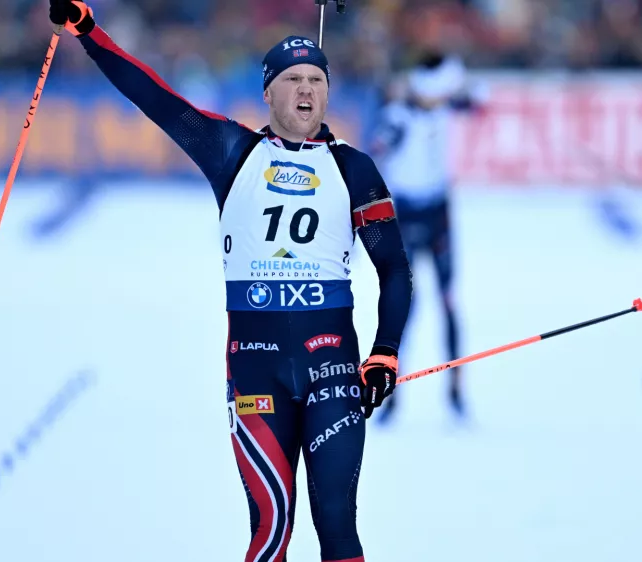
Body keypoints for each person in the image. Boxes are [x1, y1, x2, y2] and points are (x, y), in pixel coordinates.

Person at [47, 1, 413, 561]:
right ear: (267, 92)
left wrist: (384, 353)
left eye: (317, 79)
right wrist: (88, 31)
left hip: (333, 363)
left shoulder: (355, 168)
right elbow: (153, 97)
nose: (305, 90)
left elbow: (394, 269)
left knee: (338, 523)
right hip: (254, 368)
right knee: (270, 528)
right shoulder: (231, 150)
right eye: (292, 79)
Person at [368, 52, 473, 425]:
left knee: (448, 303)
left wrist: (458, 89)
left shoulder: (445, 108)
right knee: (404, 308)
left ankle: (457, 393)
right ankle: (389, 394)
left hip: (439, 212)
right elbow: (377, 148)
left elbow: (477, 98)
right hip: (407, 215)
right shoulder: (398, 116)